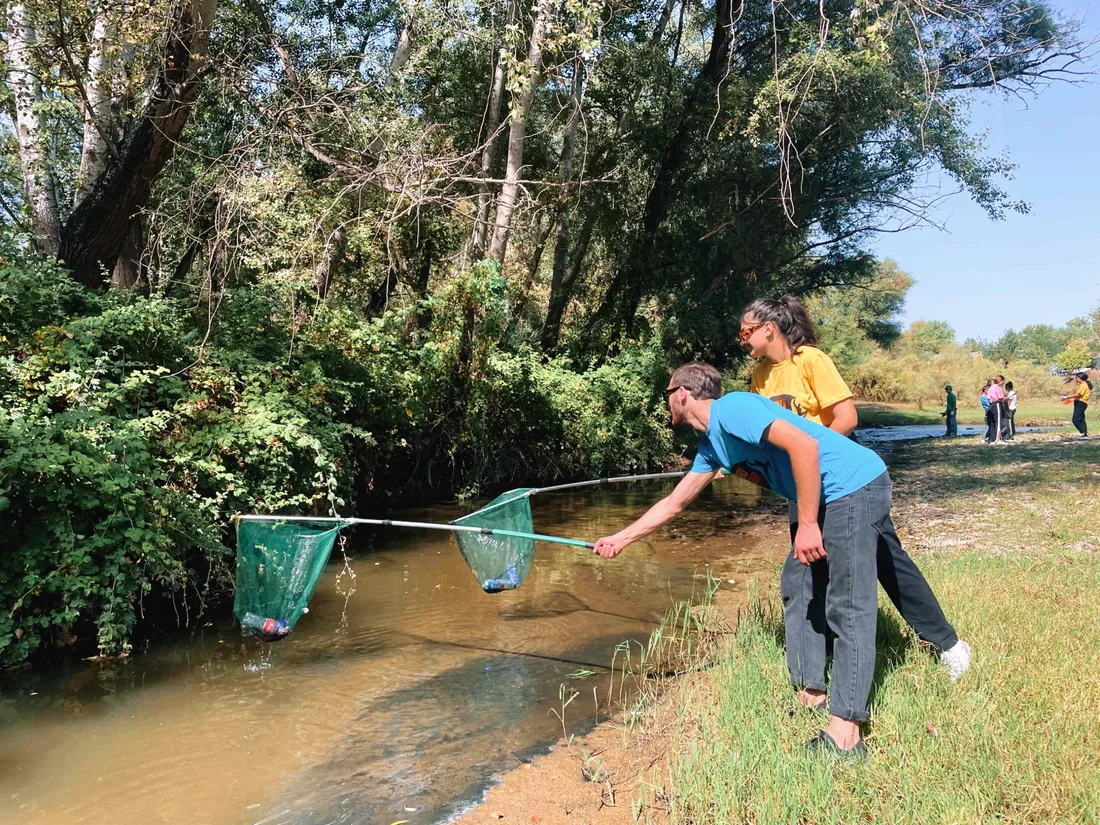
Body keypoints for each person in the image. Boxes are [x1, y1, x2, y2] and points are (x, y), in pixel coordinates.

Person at [594, 363, 895, 759]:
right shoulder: (713, 446)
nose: (665, 401)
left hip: (853, 486)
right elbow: (674, 503)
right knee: (798, 583)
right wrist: (621, 539)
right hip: (825, 495)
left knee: (847, 600)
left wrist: (806, 524)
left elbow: (805, 446)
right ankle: (812, 692)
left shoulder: (734, 408)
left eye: (667, 393)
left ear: (682, 393)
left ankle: (846, 734)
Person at [739, 298, 969, 702]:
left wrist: (812, 456)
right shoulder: (759, 378)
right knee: (809, 570)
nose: (742, 340)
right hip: (802, 487)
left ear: (769, 328)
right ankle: (818, 669)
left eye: (746, 331)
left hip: (844, 479)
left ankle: (948, 645)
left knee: (886, 562)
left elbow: (845, 418)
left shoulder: (809, 360)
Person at [1062, 373, 1091, 439]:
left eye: (1077, 378)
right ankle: (1085, 435)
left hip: (1081, 403)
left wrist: (1067, 397)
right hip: (1080, 402)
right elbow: (1079, 395)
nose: (1076, 379)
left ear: (1080, 378)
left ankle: (1082, 432)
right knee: (1081, 419)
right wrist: (1070, 400)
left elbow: (1078, 394)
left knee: (1075, 420)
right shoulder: (1082, 385)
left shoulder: (1083, 385)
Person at [986, 376, 1007, 444]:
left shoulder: (990, 388)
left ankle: (992, 439)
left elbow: (988, 398)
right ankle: (998, 440)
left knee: (992, 423)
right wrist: (1008, 398)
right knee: (998, 422)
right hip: (996, 404)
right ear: (1001, 381)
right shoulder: (998, 388)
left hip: (991, 405)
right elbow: (1001, 398)